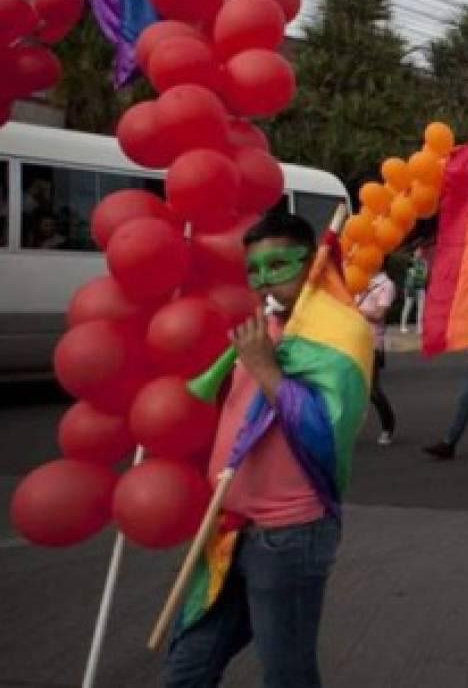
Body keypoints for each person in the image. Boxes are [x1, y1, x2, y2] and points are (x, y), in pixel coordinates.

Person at [164, 211, 372, 688]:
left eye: (278, 266)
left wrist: (266, 369)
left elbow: (325, 433)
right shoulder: (266, 329)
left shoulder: (342, 333)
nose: (263, 283)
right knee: (187, 668)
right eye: (253, 271)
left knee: (287, 674)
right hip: (228, 532)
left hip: (289, 537)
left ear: (312, 263)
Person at [356, 268, 398, 445]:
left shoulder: (386, 285)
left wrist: (357, 311)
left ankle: (388, 426)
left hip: (373, 343)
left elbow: (379, 314)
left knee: (372, 390)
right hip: (353, 341)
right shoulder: (358, 279)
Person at [400, 250, 428, 334]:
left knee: (421, 309)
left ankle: (419, 328)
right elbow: (412, 274)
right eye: (417, 251)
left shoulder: (424, 262)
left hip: (421, 288)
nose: (419, 253)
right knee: (407, 307)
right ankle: (403, 326)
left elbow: (425, 275)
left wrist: (420, 274)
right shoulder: (410, 262)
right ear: (414, 252)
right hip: (411, 288)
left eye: (420, 251)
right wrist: (420, 274)